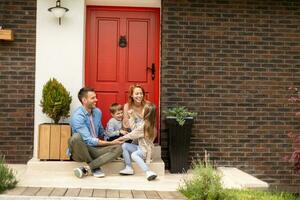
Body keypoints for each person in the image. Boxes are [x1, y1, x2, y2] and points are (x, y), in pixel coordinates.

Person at [68, 87, 123, 178]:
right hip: (81, 150)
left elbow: (101, 132)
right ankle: (95, 167)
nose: (96, 100)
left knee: (118, 148)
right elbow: (88, 141)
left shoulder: (97, 112)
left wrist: (117, 135)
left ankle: (87, 168)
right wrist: (110, 142)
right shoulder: (78, 116)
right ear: (84, 100)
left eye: (95, 97)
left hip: (95, 149)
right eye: (93, 98)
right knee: (76, 137)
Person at [114, 103, 158, 181]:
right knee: (124, 146)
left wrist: (118, 139)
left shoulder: (145, 126)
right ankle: (128, 167)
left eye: (144, 109)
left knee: (134, 155)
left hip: (146, 151)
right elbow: (135, 130)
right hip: (141, 147)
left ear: (147, 113)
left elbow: (132, 135)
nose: (142, 110)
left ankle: (148, 171)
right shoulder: (146, 123)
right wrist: (132, 117)